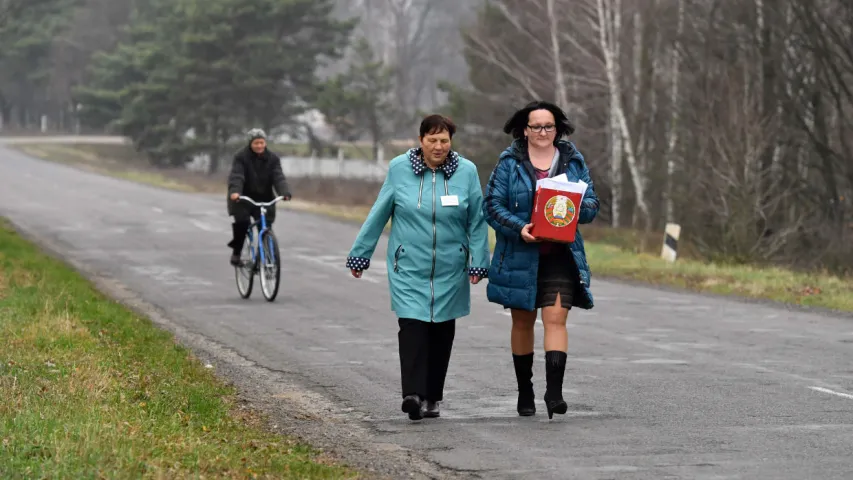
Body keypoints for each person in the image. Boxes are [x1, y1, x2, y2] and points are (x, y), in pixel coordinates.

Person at [346, 114, 490, 421]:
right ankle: (411, 393)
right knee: (412, 327)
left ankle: (432, 397)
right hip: (408, 264)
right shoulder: (400, 168)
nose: (438, 147)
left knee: (441, 332)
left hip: (450, 267)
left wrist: (479, 260)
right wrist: (361, 253)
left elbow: (477, 220)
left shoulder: (466, 171)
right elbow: (380, 211)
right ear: (420, 140)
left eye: (444, 141)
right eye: (432, 140)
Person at [482, 100, 600, 420]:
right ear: (525, 130)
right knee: (522, 321)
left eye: (549, 126)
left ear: (557, 129)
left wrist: (575, 206)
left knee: (555, 320)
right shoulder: (509, 162)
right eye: (536, 127)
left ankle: (554, 392)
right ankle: (525, 391)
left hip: (561, 255)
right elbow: (491, 206)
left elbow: (592, 204)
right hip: (520, 253)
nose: (543, 132)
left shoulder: (573, 161)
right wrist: (519, 228)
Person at [226, 128, 292, 265]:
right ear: (250, 143)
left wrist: (284, 192)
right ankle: (236, 253)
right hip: (242, 198)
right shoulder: (241, 157)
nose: (259, 146)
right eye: (256, 143)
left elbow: (278, 177)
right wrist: (235, 192)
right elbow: (237, 176)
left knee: (265, 226)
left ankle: (265, 258)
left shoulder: (273, 159)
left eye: (262, 143)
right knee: (242, 224)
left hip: (264, 197)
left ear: (265, 143)